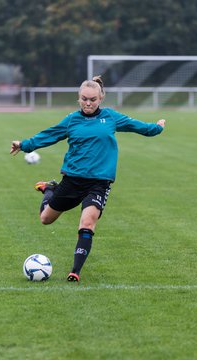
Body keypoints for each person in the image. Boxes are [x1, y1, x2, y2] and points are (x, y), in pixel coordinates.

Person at [10, 76, 166, 282]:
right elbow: (49, 135)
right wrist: (24, 145)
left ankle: (75, 271)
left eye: (92, 99)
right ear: (79, 99)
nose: (88, 103)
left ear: (100, 98)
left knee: (87, 222)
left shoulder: (111, 117)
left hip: (99, 183)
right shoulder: (71, 120)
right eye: (84, 99)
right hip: (73, 180)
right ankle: (50, 189)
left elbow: (136, 126)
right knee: (45, 219)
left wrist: (157, 127)